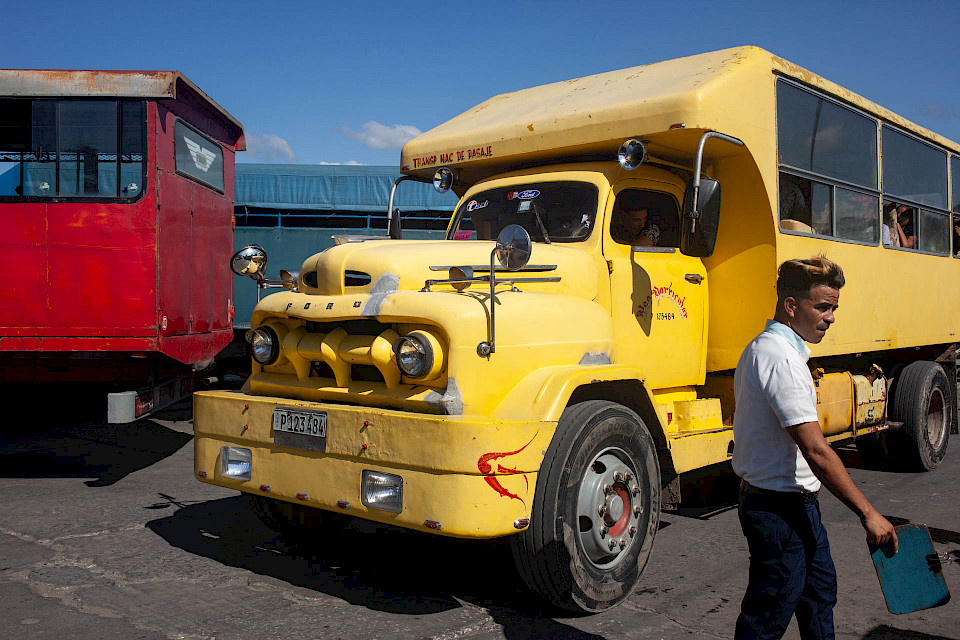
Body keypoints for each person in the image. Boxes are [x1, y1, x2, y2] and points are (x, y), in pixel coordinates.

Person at [732, 256, 897, 640]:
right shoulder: (778, 358)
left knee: (820, 596)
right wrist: (868, 513)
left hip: (796, 505)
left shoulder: (777, 351)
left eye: (834, 308)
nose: (831, 318)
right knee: (767, 617)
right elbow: (816, 451)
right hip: (778, 511)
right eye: (823, 307)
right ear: (791, 306)